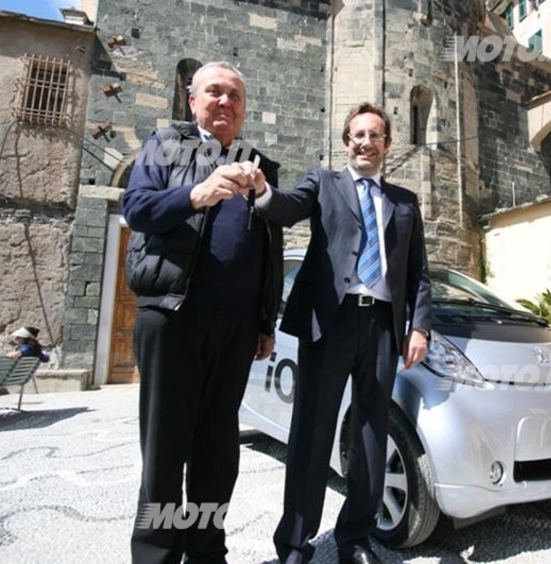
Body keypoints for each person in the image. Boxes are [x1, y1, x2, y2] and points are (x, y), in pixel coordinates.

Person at [248, 102, 432, 564]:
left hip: (382, 328)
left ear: (387, 144)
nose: (365, 142)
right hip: (328, 323)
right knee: (312, 432)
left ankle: (354, 537)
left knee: (371, 435)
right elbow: (286, 207)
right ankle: (294, 543)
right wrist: (263, 192)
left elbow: (420, 276)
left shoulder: (406, 203)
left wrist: (420, 327)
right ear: (346, 143)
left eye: (375, 135)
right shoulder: (324, 183)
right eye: (357, 135)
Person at [121, 61, 283, 564]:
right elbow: (137, 209)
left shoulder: (260, 167)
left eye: (234, 96)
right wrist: (195, 194)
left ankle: (208, 552)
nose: (225, 102)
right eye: (214, 92)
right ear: (192, 101)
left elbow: (270, 251)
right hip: (173, 317)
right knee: (166, 451)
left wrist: (264, 322)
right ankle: (157, 556)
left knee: (217, 454)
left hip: (235, 330)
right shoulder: (165, 145)